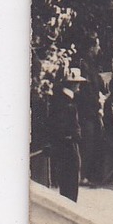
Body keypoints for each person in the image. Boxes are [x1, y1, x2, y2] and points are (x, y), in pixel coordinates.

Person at [44, 68, 87, 201]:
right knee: (71, 180)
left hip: (63, 146)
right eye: (78, 83)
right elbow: (63, 126)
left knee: (66, 180)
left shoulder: (60, 100)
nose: (79, 86)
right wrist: (75, 135)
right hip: (68, 146)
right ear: (73, 84)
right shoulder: (67, 103)